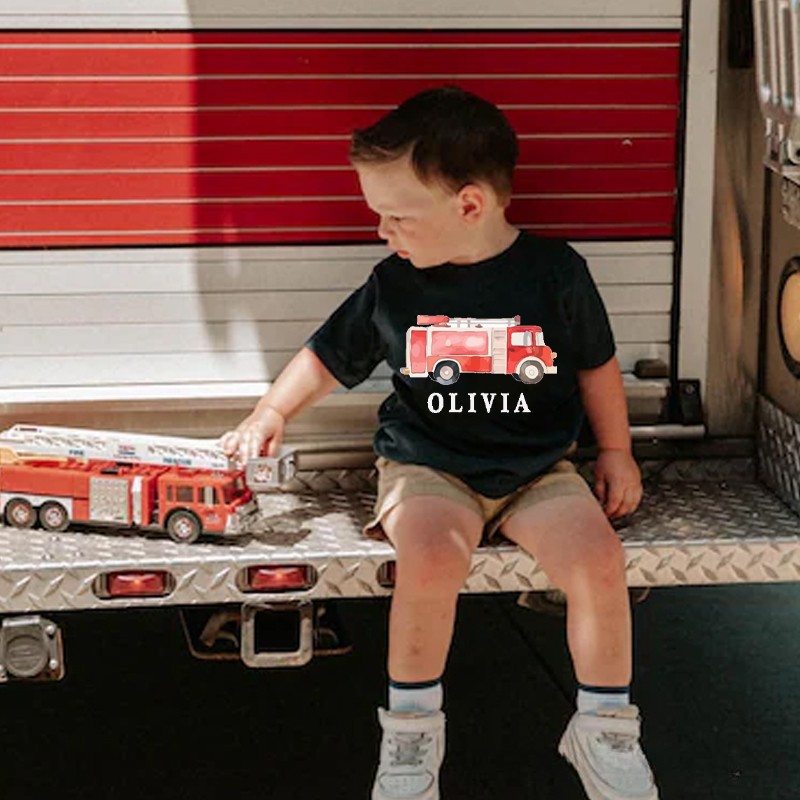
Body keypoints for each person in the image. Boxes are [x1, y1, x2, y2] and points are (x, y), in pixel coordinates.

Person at [220, 85, 658, 800]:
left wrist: (615, 450)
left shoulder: (555, 274)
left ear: (470, 206)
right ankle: (411, 738)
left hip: (536, 468)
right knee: (429, 560)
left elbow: (595, 365)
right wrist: (271, 411)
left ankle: (605, 726)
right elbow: (330, 356)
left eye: (397, 216)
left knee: (599, 561)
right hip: (427, 465)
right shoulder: (394, 285)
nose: (384, 232)